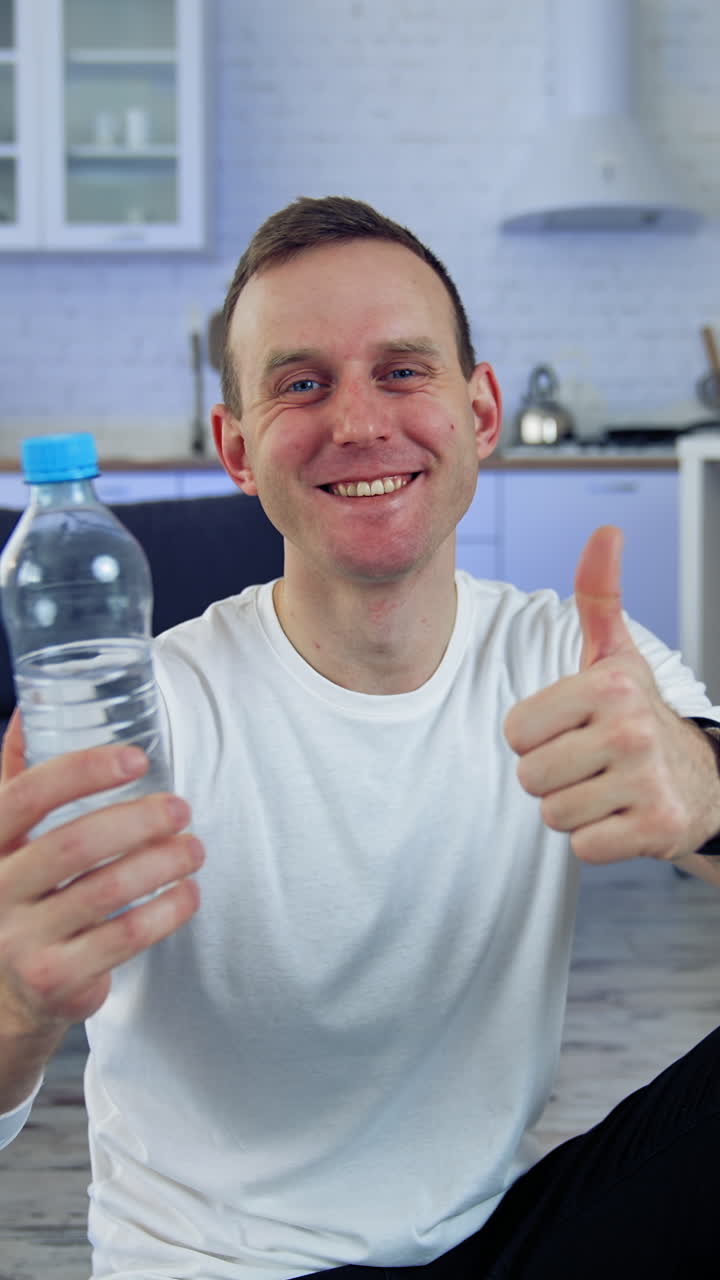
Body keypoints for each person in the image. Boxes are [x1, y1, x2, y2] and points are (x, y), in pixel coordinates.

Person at [1, 195, 720, 1279]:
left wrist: (706, 789)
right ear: (236, 449)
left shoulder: (577, 654)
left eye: (401, 370)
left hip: (489, 1248)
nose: (359, 421)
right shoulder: (144, 714)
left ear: (478, 411)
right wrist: (14, 998)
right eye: (302, 382)